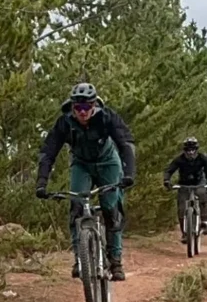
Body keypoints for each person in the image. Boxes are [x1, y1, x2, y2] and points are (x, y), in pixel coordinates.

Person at [36, 80, 136, 281]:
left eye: (87, 106)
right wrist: (42, 182)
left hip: (108, 162)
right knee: (77, 207)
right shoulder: (64, 123)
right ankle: (79, 258)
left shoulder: (107, 118)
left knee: (111, 208)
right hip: (81, 164)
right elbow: (48, 153)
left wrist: (129, 173)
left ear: (94, 105)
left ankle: (115, 260)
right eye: (78, 107)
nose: (82, 112)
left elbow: (126, 143)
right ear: (72, 106)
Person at [163, 136, 207, 242]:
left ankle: (204, 220)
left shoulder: (202, 158)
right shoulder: (179, 159)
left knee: (202, 193)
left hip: (199, 182)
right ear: (184, 150)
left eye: (192, 150)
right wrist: (167, 180)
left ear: (196, 149)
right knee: (181, 208)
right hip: (184, 184)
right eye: (188, 150)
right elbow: (169, 170)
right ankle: (185, 233)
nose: (190, 153)